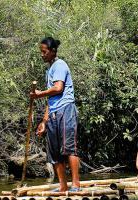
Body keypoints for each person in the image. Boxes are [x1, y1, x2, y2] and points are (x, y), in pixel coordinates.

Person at [30, 36, 80, 192]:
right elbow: (51, 98)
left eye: (44, 52)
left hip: (66, 110)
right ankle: (63, 186)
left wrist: (39, 94)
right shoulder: (49, 70)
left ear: (52, 51)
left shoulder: (60, 65)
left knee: (69, 148)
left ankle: (76, 185)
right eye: (41, 52)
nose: (42, 55)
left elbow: (58, 88)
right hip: (53, 113)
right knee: (54, 152)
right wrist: (44, 122)